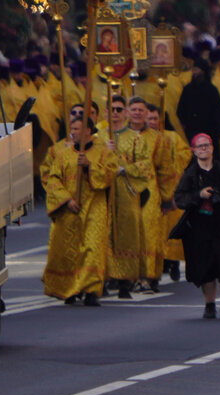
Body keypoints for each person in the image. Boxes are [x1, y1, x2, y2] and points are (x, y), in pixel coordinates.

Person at [40, 104, 116, 305]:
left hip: (94, 206)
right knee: (69, 250)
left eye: (77, 130)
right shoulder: (63, 155)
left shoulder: (103, 153)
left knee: (92, 248)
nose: (73, 133)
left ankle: (90, 290)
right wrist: (67, 199)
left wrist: (89, 167)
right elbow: (53, 179)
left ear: (88, 131)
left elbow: (109, 176)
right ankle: (70, 290)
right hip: (69, 208)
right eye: (72, 130)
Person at [174, 132, 220, 319]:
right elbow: (180, 198)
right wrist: (199, 195)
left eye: (207, 145)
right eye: (200, 146)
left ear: (213, 148)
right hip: (200, 225)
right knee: (205, 265)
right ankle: (209, 304)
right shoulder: (190, 174)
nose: (204, 149)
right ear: (194, 151)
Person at [108, 97, 162, 298]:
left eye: (119, 109)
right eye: (112, 109)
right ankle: (108, 277)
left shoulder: (143, 138)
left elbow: (148, 165)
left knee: (134, 236)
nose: (115, 112)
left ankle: (134, 278)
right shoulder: (103, 136)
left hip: (133, 191)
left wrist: (123, 169)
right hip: (104, 191)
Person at [148, 104, 191, 286]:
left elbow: (185, 154)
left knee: (171, 228)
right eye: (148, 118)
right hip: (150, 189)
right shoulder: (141, 138)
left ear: (160, 120)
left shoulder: (171, 137)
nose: (151, 122)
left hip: (169, 186)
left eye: (154, 118)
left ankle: (172, 262)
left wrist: (171, 157)